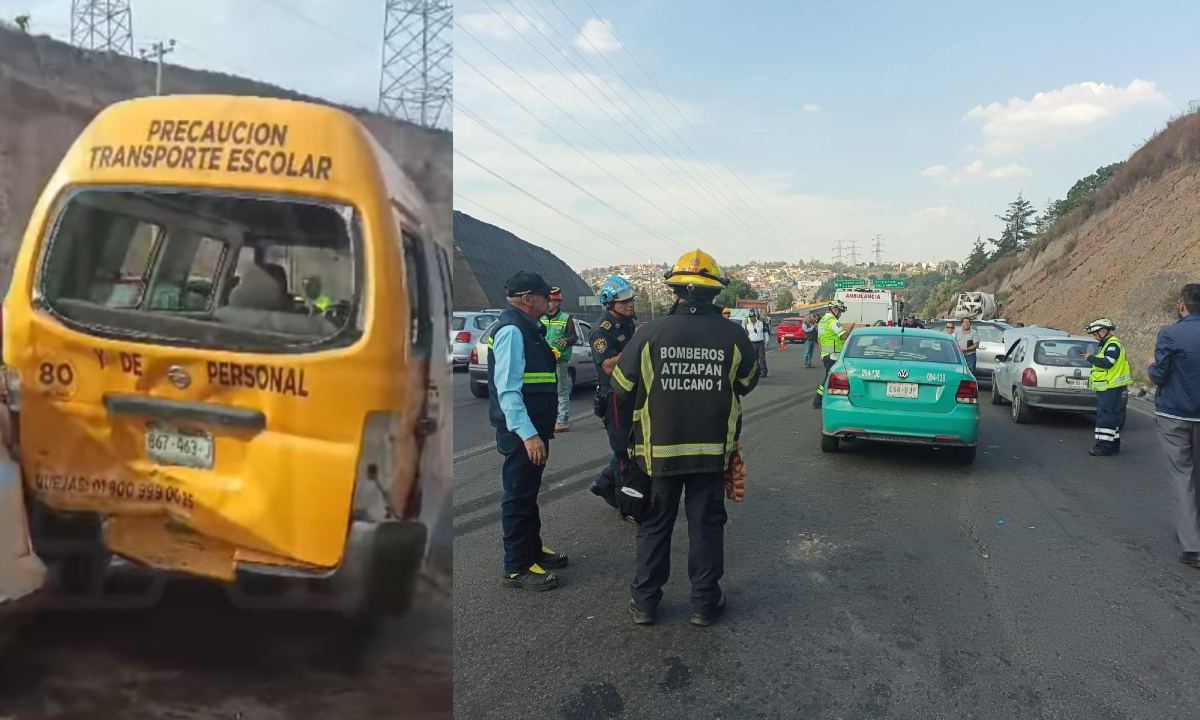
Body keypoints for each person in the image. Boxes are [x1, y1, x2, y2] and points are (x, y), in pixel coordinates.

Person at [610, 249, 759, 627]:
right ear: (714, 293)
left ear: (675, 290)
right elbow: (747, 383)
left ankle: (645, 604)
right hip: (711, 454)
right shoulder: (733, 335)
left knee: (654, 526)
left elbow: (623, 387)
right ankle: (705, 604)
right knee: (706, 526)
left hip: (657, 454)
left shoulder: (650, 333)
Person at [488, 272, 568, 591]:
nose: (549, 301)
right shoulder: (511, 330)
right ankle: (517, 567)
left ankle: (532, 550)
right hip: (523, 432)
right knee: (518, 496)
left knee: (529, 494)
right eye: (544, 296)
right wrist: (529, 434)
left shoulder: (528, 327)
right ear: (527, 299)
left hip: (534, 427)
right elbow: (507, 390)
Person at [1148, 284, 1200, 568]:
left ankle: (1193, 545)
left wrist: (1148, 368)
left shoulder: (1171, 334)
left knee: (1183, 475)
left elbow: (1159, 375)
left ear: (1182, 304)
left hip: (1176, 415)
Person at [588, 276, 638, 509]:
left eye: (631, 300)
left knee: (633, 446)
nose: (630, 304)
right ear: (609, 304)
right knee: (622, 452)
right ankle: (624, 504)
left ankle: (604, 483)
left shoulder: (628, 322)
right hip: (614, 395)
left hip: (631, 392)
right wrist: (635, 347)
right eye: (624, 301)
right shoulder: (601, 330)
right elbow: (608, 365)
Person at [1084, 318, 1132, 457]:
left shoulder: (1112, 345)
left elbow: (1108, 362)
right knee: (1110, 415)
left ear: (1104, 331)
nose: (1094, 336)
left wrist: (1090, 358)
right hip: (1108, 386)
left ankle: (1103, 447)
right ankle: (1113, 444)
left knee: (1105, 416)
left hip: (1111, 386)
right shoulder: (1107, 344)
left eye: (1095, 333)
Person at [541, 287, 578, 433]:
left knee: (561, 391)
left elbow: (573, 337)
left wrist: (567, 341)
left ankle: (562, 420)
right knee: (546, 391)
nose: (547, 303)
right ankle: (550, 418)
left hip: (559, 361)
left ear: (557, 303)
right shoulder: (542, 318)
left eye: (549, 301)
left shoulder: (565, 318)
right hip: (543, 361)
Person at [811, 301, 853, 408]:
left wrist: (822, 354)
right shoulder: (833, 321)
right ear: (835, 310)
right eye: (840, 312)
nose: (840, 315)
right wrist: (850, 332)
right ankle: (818, 400)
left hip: (826, 354)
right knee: (832, 378)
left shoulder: (822, 321)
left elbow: (819, 339)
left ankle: (820, 399)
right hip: (834, 355)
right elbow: (843, 336)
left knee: (829, 377)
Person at [744, 309, 769, 378]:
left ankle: (764, 371)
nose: (752, 318)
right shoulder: (747, 325)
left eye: (753, 317)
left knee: (762, 358)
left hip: (760, 343)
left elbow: (765, 332)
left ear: (755, 317)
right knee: (754, 359)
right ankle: (756, 372)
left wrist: (767, 340)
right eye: (750, 317)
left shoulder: (761, 323)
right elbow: (746, 336)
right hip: (752, 344)